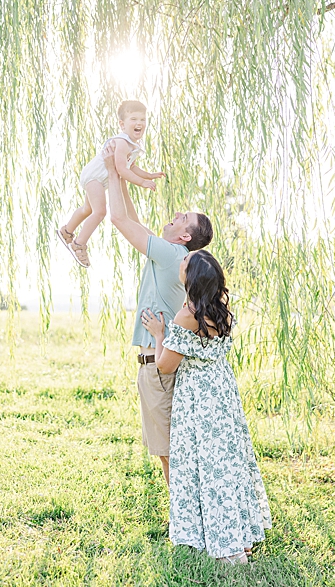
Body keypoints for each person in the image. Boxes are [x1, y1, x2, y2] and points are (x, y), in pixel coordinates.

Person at [141, 250, 272, 564]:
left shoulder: (188, 315)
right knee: (227, 464)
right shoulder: (222, 310)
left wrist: (160, 334)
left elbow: (166, 365)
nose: (181, 263)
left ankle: (225, 544)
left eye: (185, 263)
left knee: (206, 467)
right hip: (223, 393)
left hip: (199, 398)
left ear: (192, 277)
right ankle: (240, 536)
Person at [101, 144, 213, 487]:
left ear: (184, 236)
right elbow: (133, 222)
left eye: (183, 218)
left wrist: (108, 169)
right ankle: (184, 515)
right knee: (169, 447)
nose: (177, 214)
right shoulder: (170, 253)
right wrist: (120, 177)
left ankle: (182, 518)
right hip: (156, 363)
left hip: (157, 366)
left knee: (168, 449)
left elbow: (119, 220)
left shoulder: (169, 254)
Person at [57, 100, 165, 268]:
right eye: (134, 119)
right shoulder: (121, 142)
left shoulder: (132, 145)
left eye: (143, 120)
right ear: (122, 124)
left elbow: (132, 167)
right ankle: (79, 244)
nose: (139, 123)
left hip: (99, 178)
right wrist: (142, 182)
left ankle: (66, 231)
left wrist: (149, 174)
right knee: (100, 211)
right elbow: (122, 170)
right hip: (96, 177)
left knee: (88, 209)